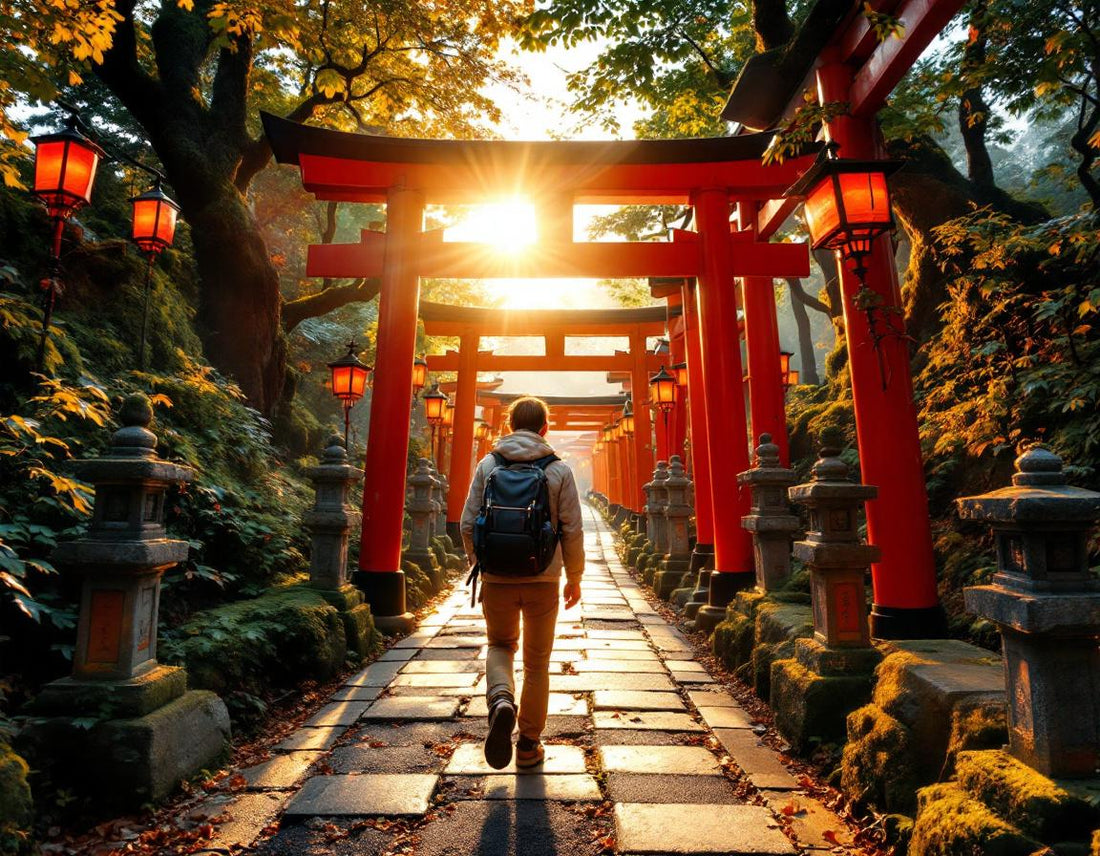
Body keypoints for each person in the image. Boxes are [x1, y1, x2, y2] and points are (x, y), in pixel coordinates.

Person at [460, 395, 584, 770]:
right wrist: (574, 576)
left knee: (500, 644)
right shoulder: (558, 470)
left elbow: (468, 523)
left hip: (496, 578)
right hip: (543, 578)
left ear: (509, 425)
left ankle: (500, 699)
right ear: (545, 428)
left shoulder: (488, 464)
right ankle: (529, 745)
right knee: (537, 663)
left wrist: (481, 563)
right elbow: (572, 530)